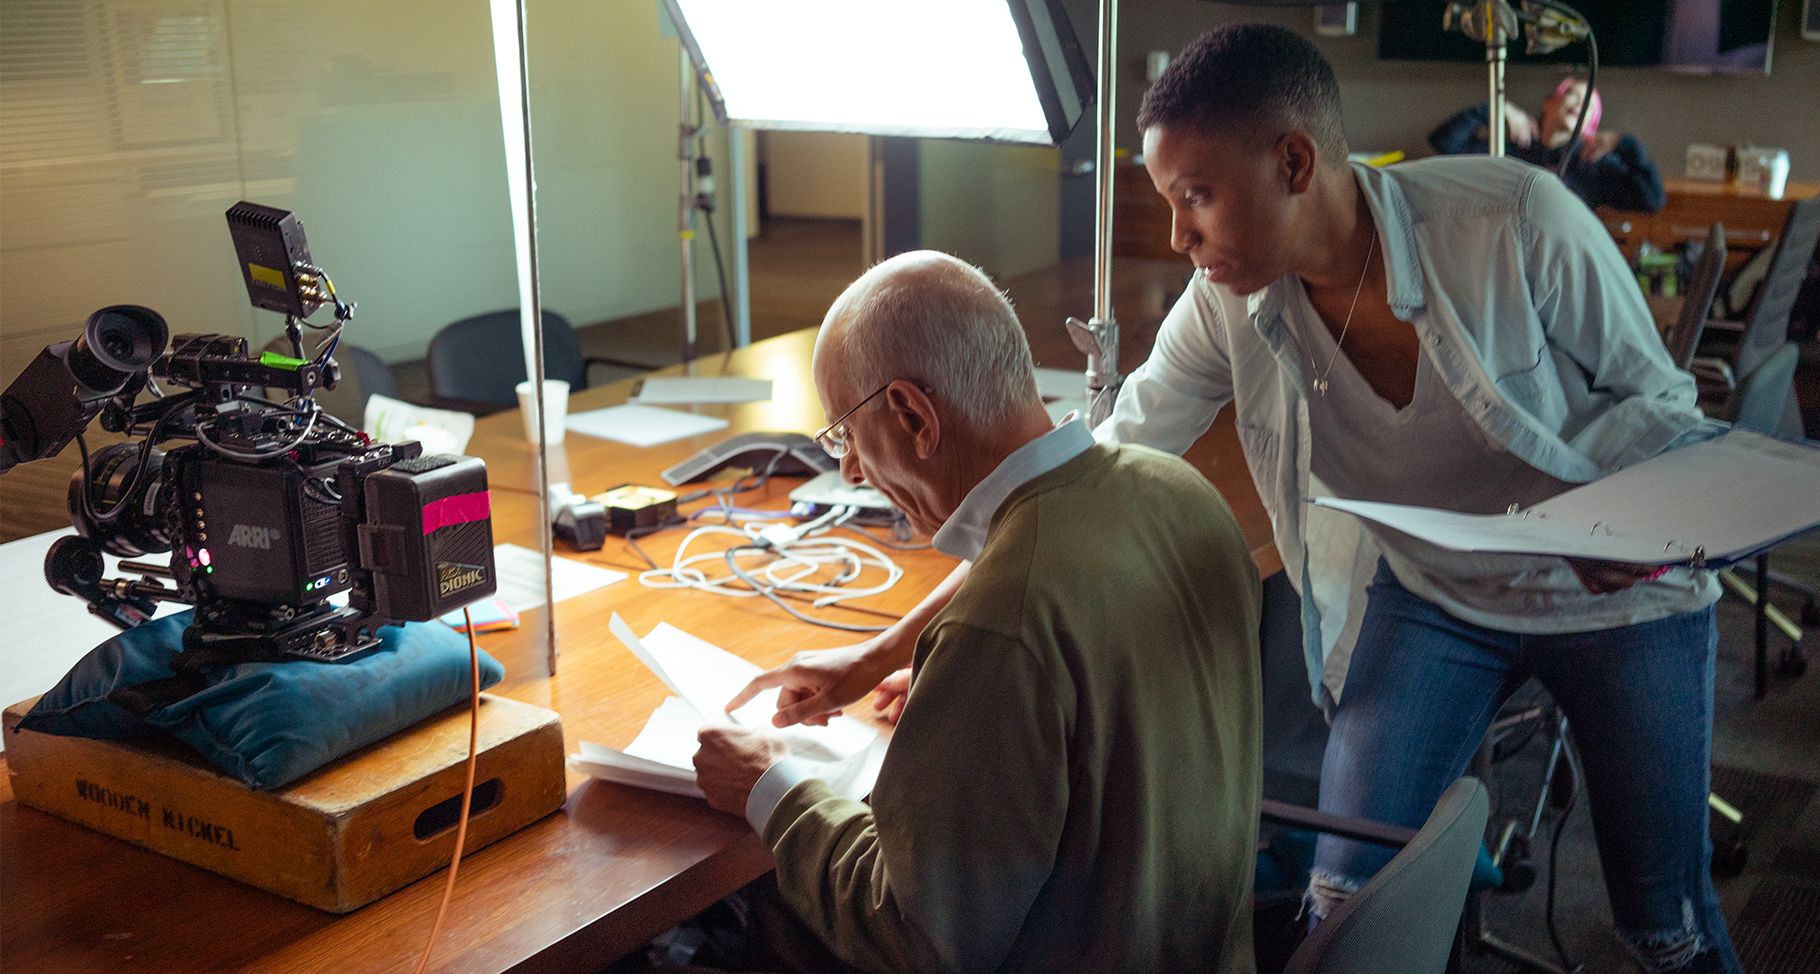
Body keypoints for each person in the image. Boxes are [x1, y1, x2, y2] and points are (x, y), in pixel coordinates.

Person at [735, 23, 1741, 974]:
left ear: (1292, 165)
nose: (1176, 234)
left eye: (1195, 195)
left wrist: (1641, 534)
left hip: (1615, 594)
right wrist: (882, 649)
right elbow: (1066, 478)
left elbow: (1662, 405)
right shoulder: (1229, 298)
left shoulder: (1514, 219)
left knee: (1663, 927)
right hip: (1436, 593)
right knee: (1338, 901)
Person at [688, 250, 1264, 974]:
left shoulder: (1000, 626)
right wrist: (967, 715)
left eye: (846, 436)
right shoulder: (1183, 494)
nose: (852, 471)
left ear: (911, 413)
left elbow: (915, 935)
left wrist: (771, 785)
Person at [1429, 76, 1667, 212]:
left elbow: (1652, 200)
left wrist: (1623, 144)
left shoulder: (1592, 164)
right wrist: (1495, 109)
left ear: (1590, 125)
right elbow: (1444, 142)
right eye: (1573, 95)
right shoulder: (1514, 147)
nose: (1579, 104)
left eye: (1589, 106)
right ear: (1549, 103)